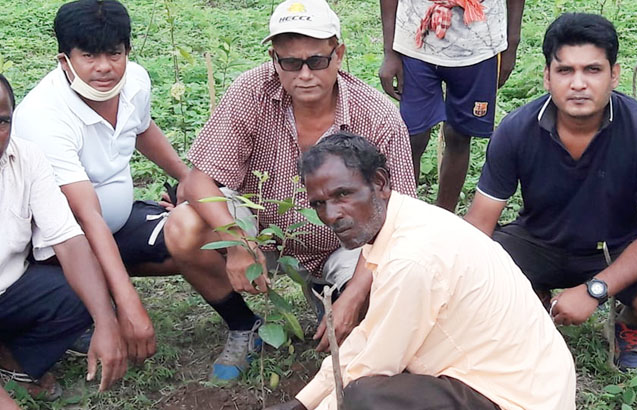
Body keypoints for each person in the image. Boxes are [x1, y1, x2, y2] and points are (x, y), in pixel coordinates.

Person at [172, 0, 416, 380]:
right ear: (274, 59)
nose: (304, 74)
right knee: (183, 227)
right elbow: (197, 180)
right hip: (261, 232)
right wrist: (236, 240)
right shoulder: (251, 92)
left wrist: (355, 294)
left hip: (344, 247)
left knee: (394, 277)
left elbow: (401, 218)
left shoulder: (377, 116)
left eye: (316, 61)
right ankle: (243, 326)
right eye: (290, 62)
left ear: (339, 55)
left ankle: (336, 298)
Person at [10, 0, 243, 379]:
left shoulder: (133, 80)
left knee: (194, 233)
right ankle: (82, 319)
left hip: (117, 224)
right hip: (64, 247)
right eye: (89, 55)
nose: (104, 67)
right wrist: (129, 303)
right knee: (80, 295)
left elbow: (143, 129)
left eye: (113, 53)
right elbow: (87, 216)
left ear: (127, 52)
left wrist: (187, 179)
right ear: (63, 60)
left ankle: (244, 325)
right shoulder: (43, 117)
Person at [266, 133, 575, 410]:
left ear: (380, 183)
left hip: (517, 398)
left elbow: (373, 364)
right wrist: (302, 403)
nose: (331, 215)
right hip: (514, 381)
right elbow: (369, 335)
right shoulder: (406, 220)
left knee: (365, 397)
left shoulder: (409, 259)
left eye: (342, 194)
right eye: (319, 204)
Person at [465, 13, 637, 372]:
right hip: (539, 242)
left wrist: (595, 290)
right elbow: (478, 226)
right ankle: (532, 300)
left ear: (614, 75)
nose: (578, 84)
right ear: (547, 77)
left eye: (592, 70)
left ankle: (630, 321)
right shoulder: (516, 129)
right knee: (475, 272)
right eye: (565, 71)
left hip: (618, 248)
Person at [0, 74, 126, 401]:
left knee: (80, 293)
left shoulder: (25, 157)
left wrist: (106, 320)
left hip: (9, 290)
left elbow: (69, 240)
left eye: (2, 121)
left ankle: (12, 360)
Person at [379, 0, 525, 211]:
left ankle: (444, 218)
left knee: (459, 135)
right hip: (416, 40)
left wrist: (512, 42)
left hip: (480, 43)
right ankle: (402, 217)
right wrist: (390, 51)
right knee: (412, 137)